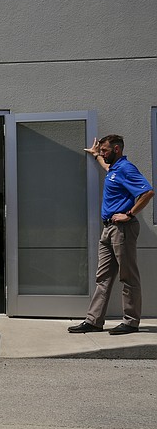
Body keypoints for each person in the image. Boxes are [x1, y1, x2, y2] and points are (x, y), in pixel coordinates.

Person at [69, 134, 154, 335]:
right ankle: (94, 321)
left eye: (105, 150)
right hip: (108, 229)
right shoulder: (114, 169)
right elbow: (107, 168)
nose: (103, 153)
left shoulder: (126, 168)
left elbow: (148, 192)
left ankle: (131, 322)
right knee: (103, 276)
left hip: (123, 229)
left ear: (117, 149)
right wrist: (96, 155)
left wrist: (129, 214)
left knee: (128, 276)